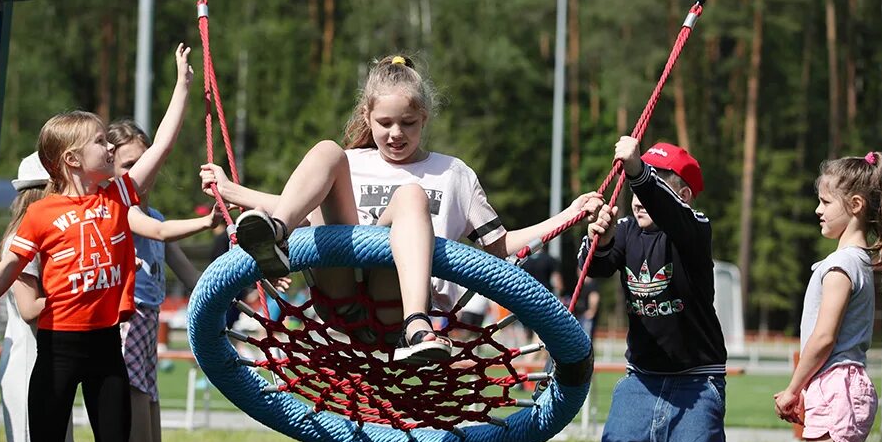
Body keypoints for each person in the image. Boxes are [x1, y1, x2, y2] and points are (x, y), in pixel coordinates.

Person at [200, 54, 602, 365]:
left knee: (412, 196)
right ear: (367, 118)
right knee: (327, 151)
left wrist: (568, 214)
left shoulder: (452, 174)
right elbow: (311, 212)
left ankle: (417, 326)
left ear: (424, 118)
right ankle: (274, 235)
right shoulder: (352, 163)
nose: (396, 134)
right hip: (340, 297)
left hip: (398, 306)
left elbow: (501, 247)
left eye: (408, 123)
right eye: (385, 122)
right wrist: (232, 191)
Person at [0, 43, 192, 442]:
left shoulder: (118, 197)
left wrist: (181, 85)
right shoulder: (39, 215)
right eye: (102, 143)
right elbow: (4, 276)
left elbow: (161, 145)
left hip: (105, 351)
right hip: (56, 353)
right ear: (72, 160)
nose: (111, 148)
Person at [63, 120, 220, 442]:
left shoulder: (155, 214)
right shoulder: (116, 213)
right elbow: (164, 233)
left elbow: (195, 279)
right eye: (129, 165)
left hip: (145, 339)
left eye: (144, 161)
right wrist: (205, 222)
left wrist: (252, 284)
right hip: (125, 333)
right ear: (111, 167)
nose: (138, 173)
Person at [580, 136, 727, 442]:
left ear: (684, 195)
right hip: (640, 380)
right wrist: (602, 238)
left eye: (659, 183)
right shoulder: (627, 230)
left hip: (696, 383)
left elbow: (669, 212)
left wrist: (639, 172)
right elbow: (595, 266)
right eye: (639, 186)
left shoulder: (694, 228)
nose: (642, 195)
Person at [774, 151, 882, 442]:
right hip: (847, 388)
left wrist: (793, 389)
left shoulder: (840, 266)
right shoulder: (859, 261)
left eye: (824, 202)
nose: (817, 210)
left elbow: (823, 338)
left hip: (835, 388)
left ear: (854, 204)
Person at [0, 153, 75, 442]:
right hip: (29, 365)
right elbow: (30, 309)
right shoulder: (21, 237)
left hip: (45, 364)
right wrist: (82, 290)